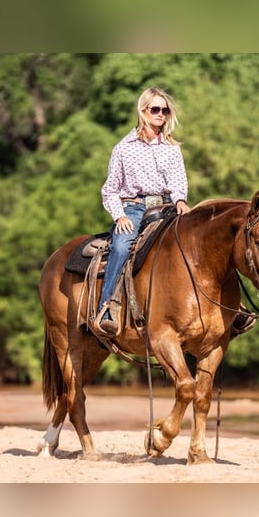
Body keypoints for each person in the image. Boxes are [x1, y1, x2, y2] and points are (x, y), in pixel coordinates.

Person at [95, 86, 191, 336]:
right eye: (156, 109)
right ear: (143, 110)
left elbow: (178, 181)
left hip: (167, 207)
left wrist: (181, 200)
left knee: (196, 241)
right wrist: (120, 216)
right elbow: (110, 189)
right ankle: (107, 307)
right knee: (121, 245)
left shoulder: (172, 148)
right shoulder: (123, 148)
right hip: (134, 208)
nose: (162, 114)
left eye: (165, 110)